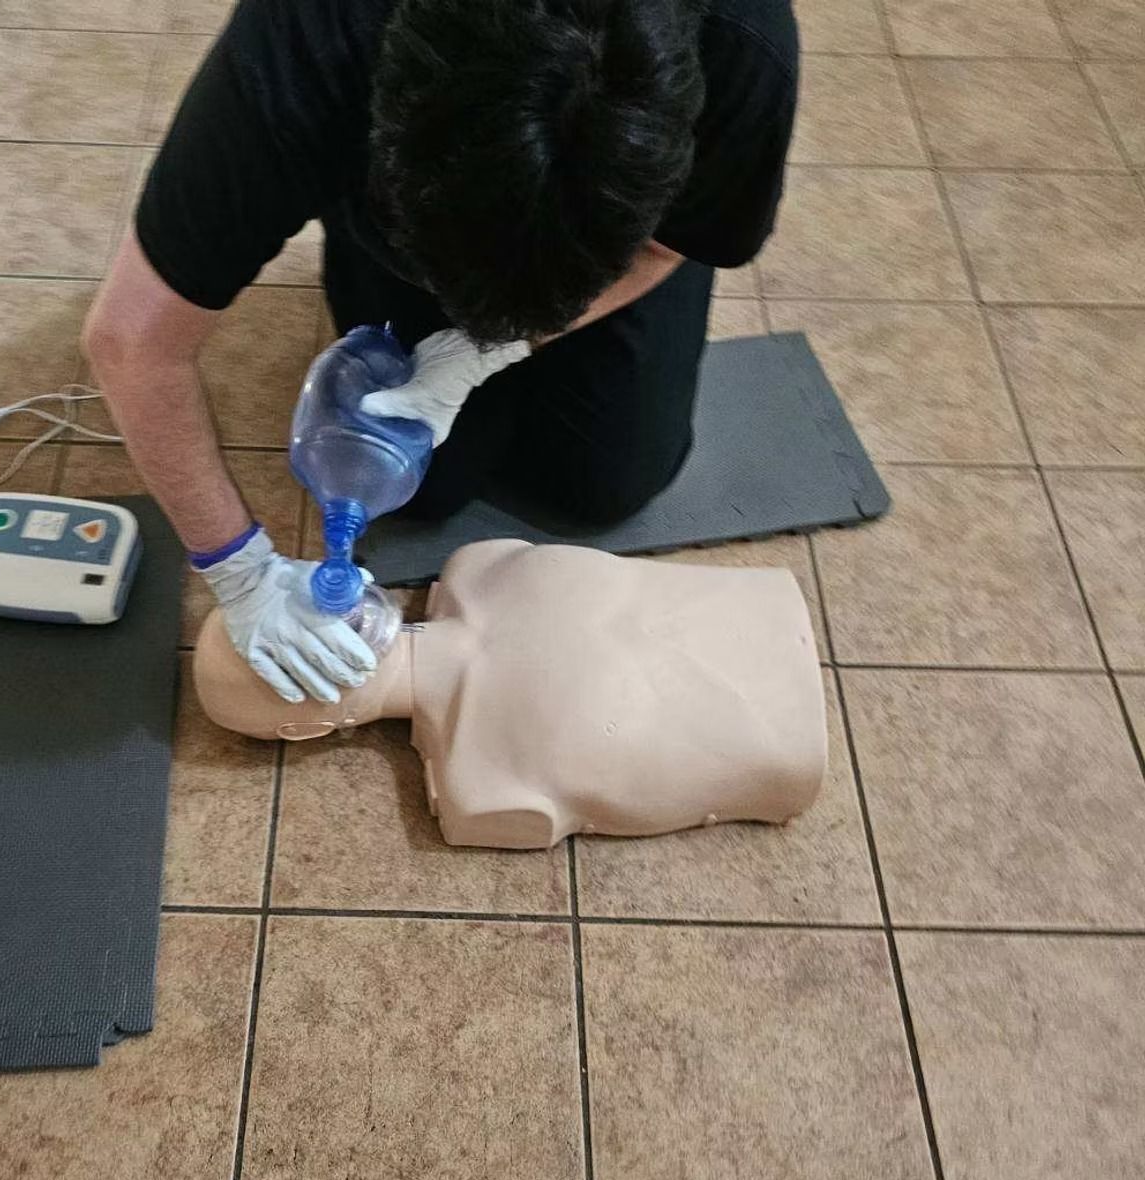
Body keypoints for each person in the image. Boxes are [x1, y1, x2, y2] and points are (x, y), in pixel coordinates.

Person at [83, 0, 798, 705]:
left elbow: (671, 241)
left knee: (608, 483)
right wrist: (239, 570)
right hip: (410, 212)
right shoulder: (309, 40)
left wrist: (491, 350)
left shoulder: (739, 38)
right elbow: (131, 342)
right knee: (420, 486)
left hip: (612, 246)